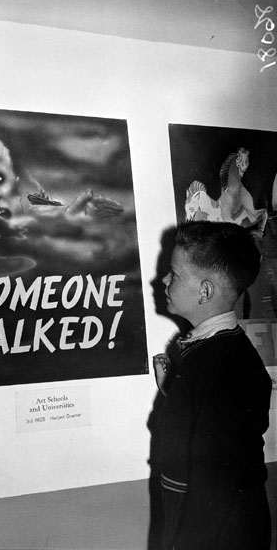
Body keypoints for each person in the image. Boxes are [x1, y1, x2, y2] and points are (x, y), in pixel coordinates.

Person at [153, 221, 272, 550]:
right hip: (199, 512)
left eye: (174, 274)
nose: (163, 280)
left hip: (217, 527)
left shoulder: (223, 362)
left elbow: (216, 479)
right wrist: (174, 392)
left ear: (205, 291)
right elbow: (211, 423)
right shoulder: (212, 351)